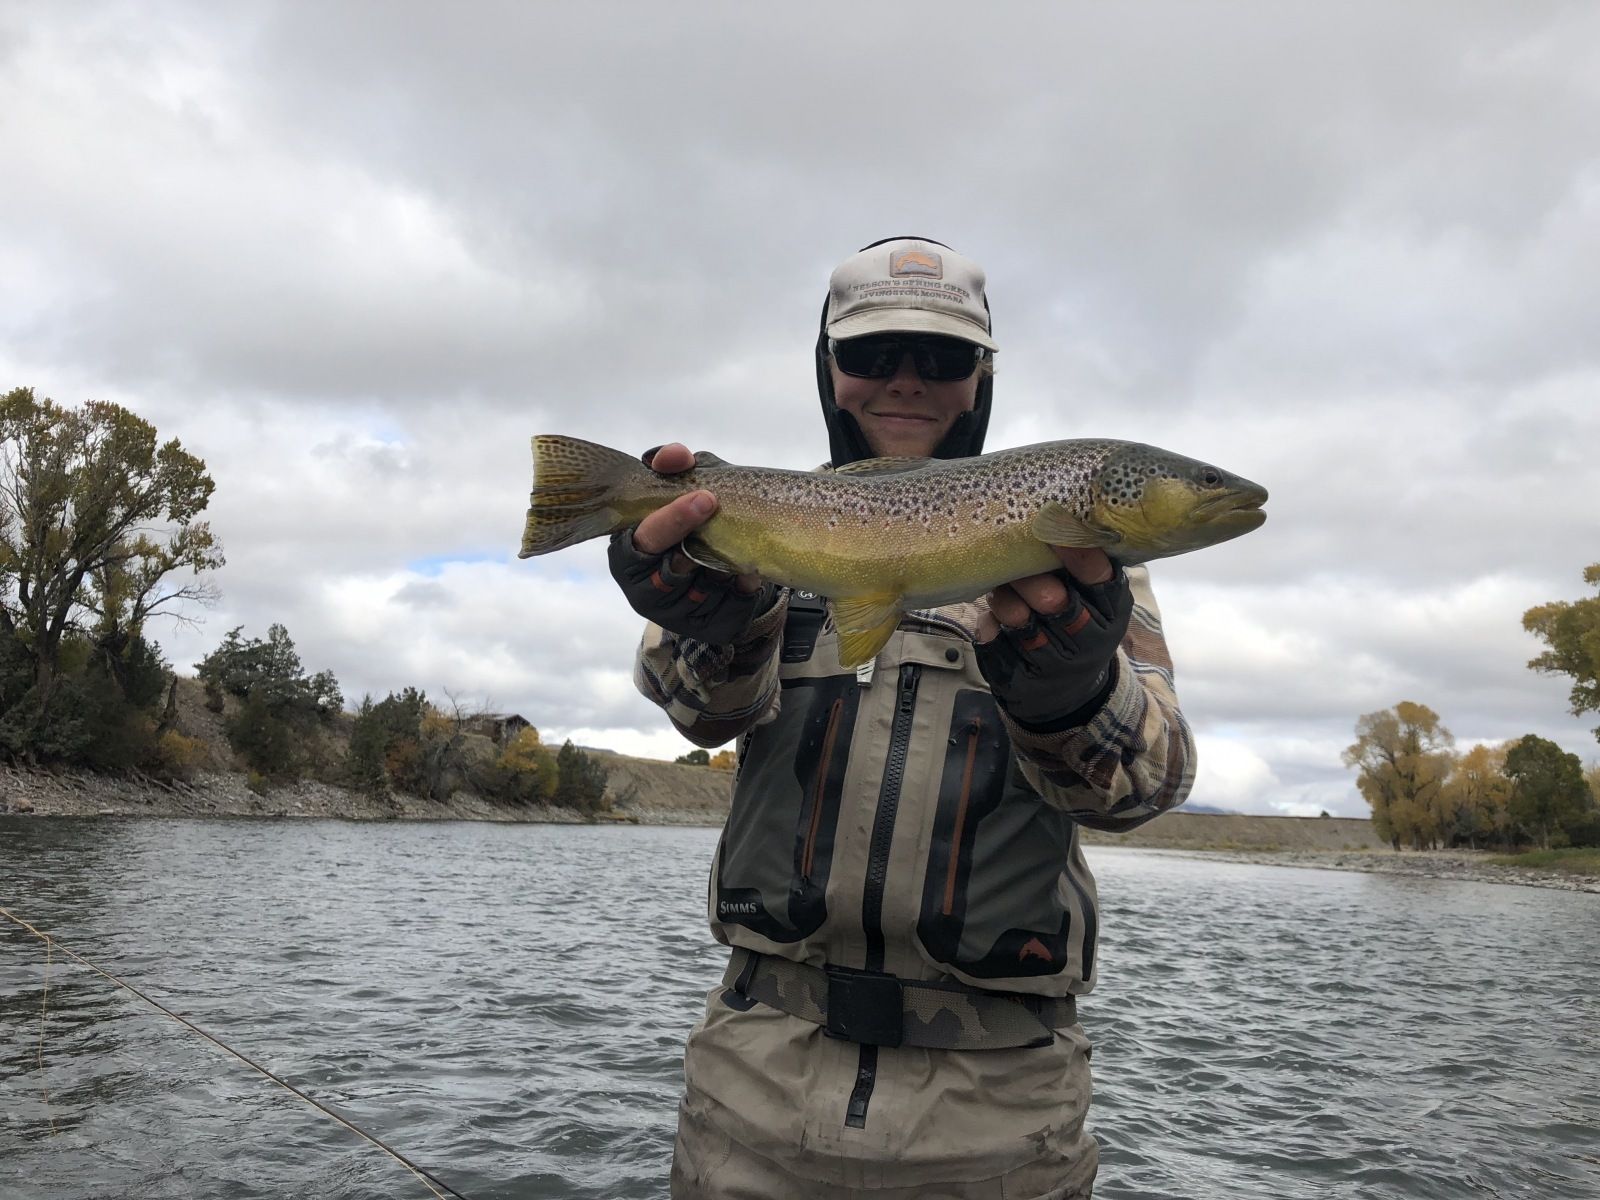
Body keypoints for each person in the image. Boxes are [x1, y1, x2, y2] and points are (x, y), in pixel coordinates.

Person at [608, 237, 1195, 1199]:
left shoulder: (1088, 567)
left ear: (983, 379)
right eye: (874, 356)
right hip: (753, 1093)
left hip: (1001, 1116)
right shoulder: (759, 529)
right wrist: (714, 625)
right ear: (828, 372)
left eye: (945, 358)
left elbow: (1151, 786)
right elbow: (696, 717)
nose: (907, 382)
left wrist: (1075, 696)